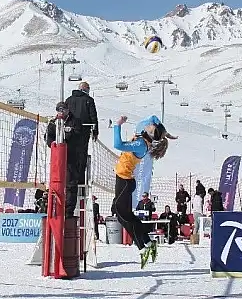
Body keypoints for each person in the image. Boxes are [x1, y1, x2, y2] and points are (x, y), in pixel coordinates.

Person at [111, 115, 170, 268]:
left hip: (125, 181)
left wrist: (118, 124)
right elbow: (153, 118)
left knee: (124, 216)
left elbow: (117, 144)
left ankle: (142, 248)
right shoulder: (143, 134)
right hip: (123, 180)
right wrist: (165, 132)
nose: (148, 125)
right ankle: (148, 243)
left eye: (151, 126)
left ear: (152, 133)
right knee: (125, 217)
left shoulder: (140, 144)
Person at [64, 82, 99, 217]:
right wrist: (95, 131)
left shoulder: (68, 100)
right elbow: (93, 116)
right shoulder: (89, 100)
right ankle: (80, 180)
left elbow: (65, 115)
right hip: (83, 132)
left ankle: (72, 179)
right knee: (82, 157)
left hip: (70, 133)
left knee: (70, 158)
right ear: (86, 90)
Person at [45, 101, 85, 217]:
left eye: (63, 110)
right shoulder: (53, 123)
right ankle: (55, 210)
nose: (61, 112)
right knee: (56, 183)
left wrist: (67, 134)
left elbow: (78, 138)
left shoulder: (75, 121)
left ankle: (68, 212)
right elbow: (48, 138)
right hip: (58, 158)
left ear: (68, 110)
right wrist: (53, 143)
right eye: (59, 110)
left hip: (72, 157)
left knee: (71, 185)